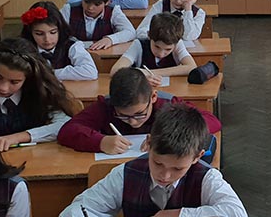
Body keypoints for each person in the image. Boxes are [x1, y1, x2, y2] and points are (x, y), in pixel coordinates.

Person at [59, 104, 248, 217]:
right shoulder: (126, 173)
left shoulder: (205, 177)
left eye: (178, 169)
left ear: (197, 157)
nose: (165, 175)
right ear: (148, 144)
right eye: (157, 163)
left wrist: (178, 215)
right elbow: (77, 209)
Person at [57, 67, 220, 156]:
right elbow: (67, 131)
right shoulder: (105, 106)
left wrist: (166, 136)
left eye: (140, 114)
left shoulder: (168, 105)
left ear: (153, 97)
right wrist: (100, 142)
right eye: (123, 116)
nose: (133, 122)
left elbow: (212, 121)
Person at [20, 2, 97, 81]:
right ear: (30, 32)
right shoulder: (22, 48)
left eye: (53, 32)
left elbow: (90, 72)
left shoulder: (71, 45)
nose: (47, 39)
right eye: (39, 34)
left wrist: (50, 74)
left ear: (60, 29)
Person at [111, 12, 195, 83]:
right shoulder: (138, 45)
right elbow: (115, 70)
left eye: (168, 49)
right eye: (157, 47)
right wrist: (140, 76)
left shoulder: (177, 44)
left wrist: (148, 73)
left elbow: (192, 67)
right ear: (149, 35)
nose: (161, 54)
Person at [59, 0, 136, 50]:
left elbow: (130, 31)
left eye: (97, 4)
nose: (90, 8)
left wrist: (110, 39)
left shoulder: (113, 11)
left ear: (108, 2)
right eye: (86, 1)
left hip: (103, 54)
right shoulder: (69, 9)